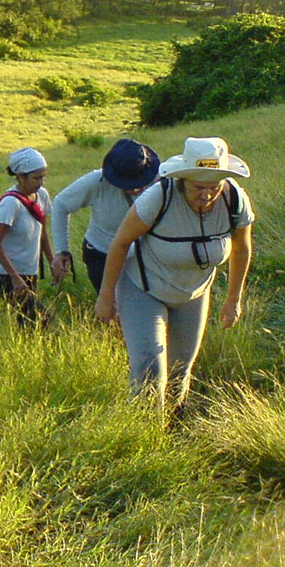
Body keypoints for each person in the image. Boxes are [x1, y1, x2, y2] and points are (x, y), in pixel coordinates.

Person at [95, 137, 254, 417]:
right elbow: (120, 243)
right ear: (183, 180)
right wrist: (106, 296)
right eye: (198, 187)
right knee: (149, 369)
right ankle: (144, 434)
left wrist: (233, 300)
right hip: (143, 290)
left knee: (181, 369)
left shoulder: (233, 199)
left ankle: (171, 426)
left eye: (213, 187)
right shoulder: (159, 197)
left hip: (193, 293)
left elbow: (242, 248)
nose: (206, 194)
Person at [51, 139, 160, 292]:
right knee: (112, 309)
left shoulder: (160, 182)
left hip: (144, 257)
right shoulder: (96, 182)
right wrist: (62, 250)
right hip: (102, 255)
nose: (134, 187)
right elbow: (61, 204)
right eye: (126, 182)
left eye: (137, 180)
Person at [0, 147, 53, 328]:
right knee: (41, 318)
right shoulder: (10, 203)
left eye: (43, 176)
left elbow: (43, 233)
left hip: (29, 270)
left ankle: (32, 351)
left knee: (28, 320)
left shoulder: (42, 196)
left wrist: (53, 262)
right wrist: (15, 278)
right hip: (5, 273)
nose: (41, 182)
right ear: (21, 177)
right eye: (36, 178)